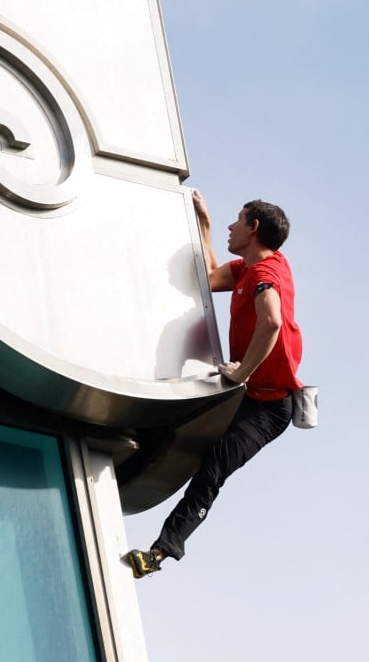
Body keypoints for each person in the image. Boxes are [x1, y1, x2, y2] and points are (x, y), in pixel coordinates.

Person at [127, 189, 303, 578]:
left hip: (270, 408)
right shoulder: (251, 266)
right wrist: (203, 225)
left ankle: (160, 552)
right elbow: (210, 277)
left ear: (253, 228)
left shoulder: (264, 273)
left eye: (236, 220)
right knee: (179, 419)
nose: (229, 225)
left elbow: (271, 321)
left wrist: (241, 374)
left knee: (214, 466)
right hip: (245, 392)